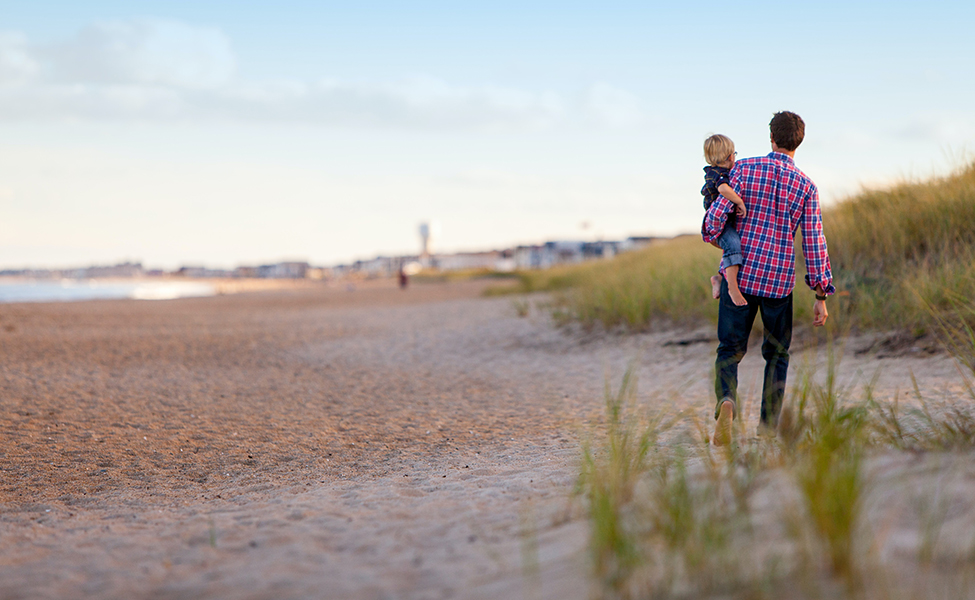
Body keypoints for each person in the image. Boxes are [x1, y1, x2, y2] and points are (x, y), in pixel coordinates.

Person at [702, 111, 834, 445]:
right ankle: (768, 428)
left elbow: (715, 219)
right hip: (778, 283)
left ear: (771, 138)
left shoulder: (744, 168)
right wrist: (820, 295)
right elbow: (814, 242)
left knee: (729, 351)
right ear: (798, 142)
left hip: (741, 277)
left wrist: (715, 234)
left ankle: (727, 401)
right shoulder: (806, 186)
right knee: (777, 355)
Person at [701, 134, 748, 307]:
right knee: (733, 244)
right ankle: (732, 288)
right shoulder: (718, 175)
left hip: (724, 222)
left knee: (731, 248)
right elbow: (723, 189)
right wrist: (739, 201)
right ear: (730, 156)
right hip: (718, 224)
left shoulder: (717, 172)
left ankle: (719, 278)